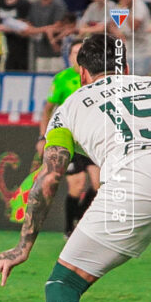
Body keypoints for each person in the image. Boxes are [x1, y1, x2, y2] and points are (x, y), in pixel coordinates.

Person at [0, 34, 151, 302]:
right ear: (126, 68)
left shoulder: (68, 107)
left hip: (136, 186)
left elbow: (51, 177)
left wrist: (23, 246)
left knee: (63, 283)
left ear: (81, 72)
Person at [35, 41, 98, 238]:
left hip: (90, 138)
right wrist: (43, 137)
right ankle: (69, 229)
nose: (76, 56)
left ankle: (80, 217)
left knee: (98, 184)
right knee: (77, 185)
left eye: (80, 52)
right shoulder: (62, 79)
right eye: (74, 52)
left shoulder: (94, 77)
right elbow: (48, 110)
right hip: (69, 138)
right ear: (69, 56)